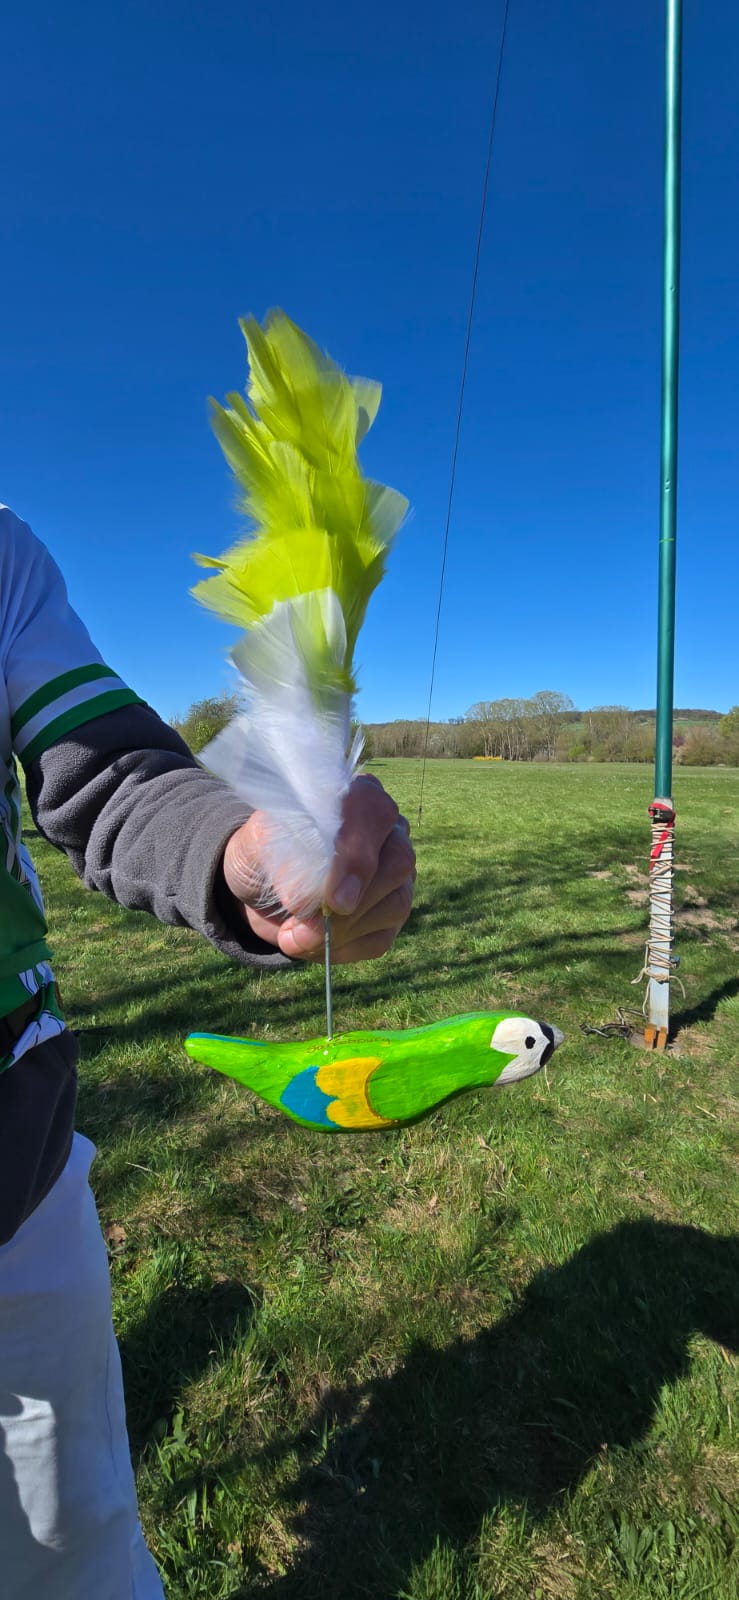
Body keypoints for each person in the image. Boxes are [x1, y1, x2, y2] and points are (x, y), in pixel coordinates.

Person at [0, 504, 416, 1598]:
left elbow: (107, 774)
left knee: (71, 1548)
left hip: (18, 1174)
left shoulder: (3, 551)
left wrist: (245, 849)